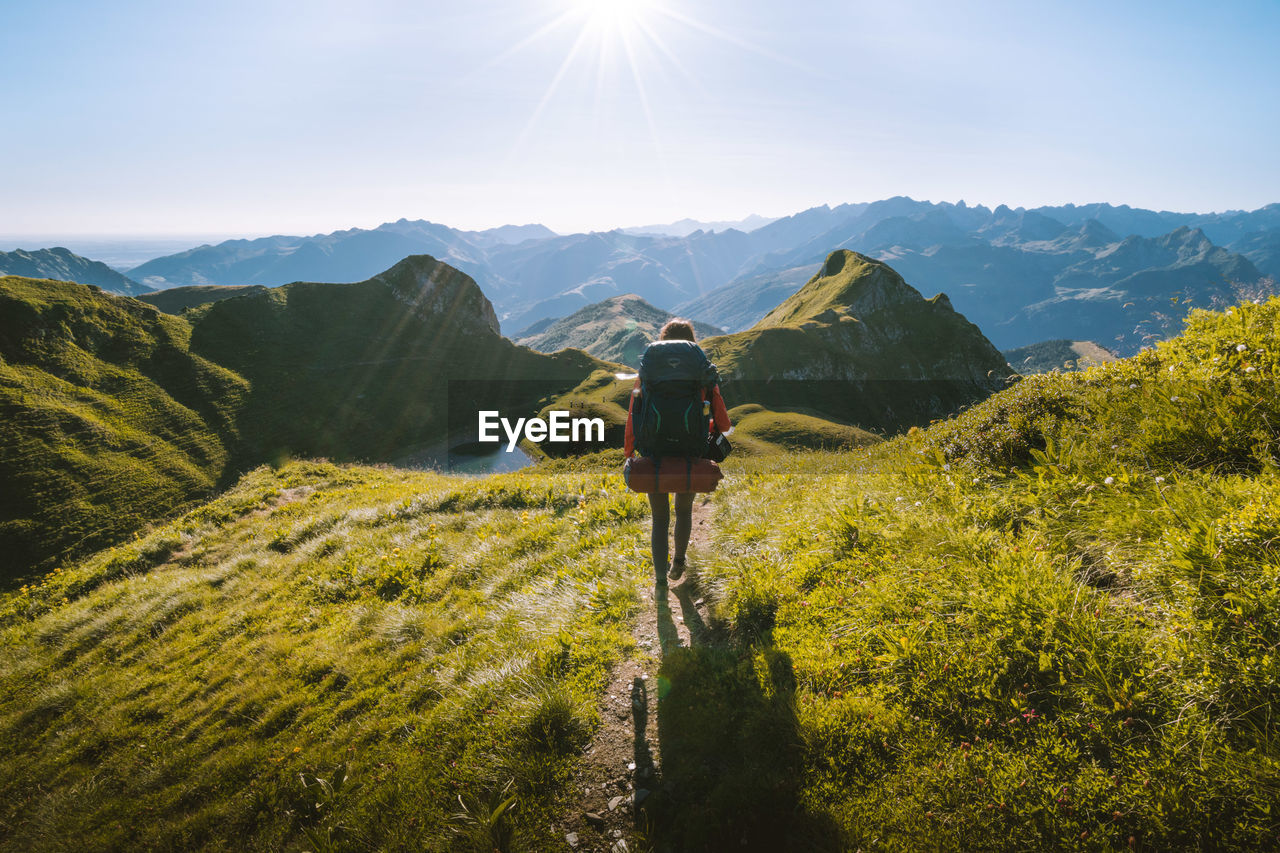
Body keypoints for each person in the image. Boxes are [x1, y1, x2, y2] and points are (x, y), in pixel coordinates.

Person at [623, 319, 732, 587]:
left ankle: (660, 579)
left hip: (653, 450)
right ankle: (679, 562)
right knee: (683, 510)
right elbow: (725, 423)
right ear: (691, 342)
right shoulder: (702, 373)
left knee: (659, 517)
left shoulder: (648, 373)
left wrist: (629, 453)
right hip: (690, 450)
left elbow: (633, 415)